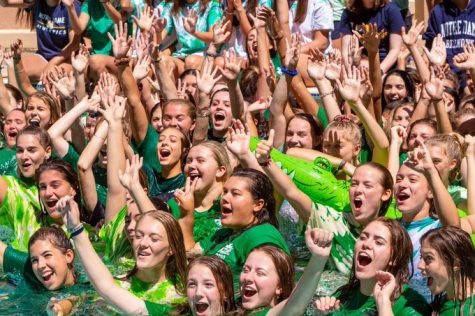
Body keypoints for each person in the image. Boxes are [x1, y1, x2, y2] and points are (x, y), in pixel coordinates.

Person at [59, 195, 188, 310]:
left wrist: (76, 230)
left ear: (172, 248)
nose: (143, 244)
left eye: (154, 239)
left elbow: (106, 287)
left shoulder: (185, 292)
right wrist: (65, 306)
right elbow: (88, 298)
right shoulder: (120, 284)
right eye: (138, 236)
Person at [179, 168, 290, 279]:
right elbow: (188, 254)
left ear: (258, 204)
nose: (224, 198)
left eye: (235, 194)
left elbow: (271, 282)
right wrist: (186, 212)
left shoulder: (261, 236)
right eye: (225, 192)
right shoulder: (224, 233)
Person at [314, 218, 431, 315]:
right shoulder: (343, 296)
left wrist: (383, 301)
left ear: (394, 258)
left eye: (379, 242)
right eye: (363, 237)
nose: (366, 244)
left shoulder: (411, 306)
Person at [0, 0, 80, 81]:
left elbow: (74, 44)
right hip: (43, 57)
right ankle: (12, 94)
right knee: (16, 70)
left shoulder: (70, 5)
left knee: (51, 77)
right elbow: (5, 3)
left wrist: (52, 63)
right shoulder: (36, 2)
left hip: (67, 59)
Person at [419, 226, 475, 316]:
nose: (419, 266)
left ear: (456, 264)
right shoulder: (446, 300)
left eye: (429, 258)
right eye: (421, 257)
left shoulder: (469, 311)